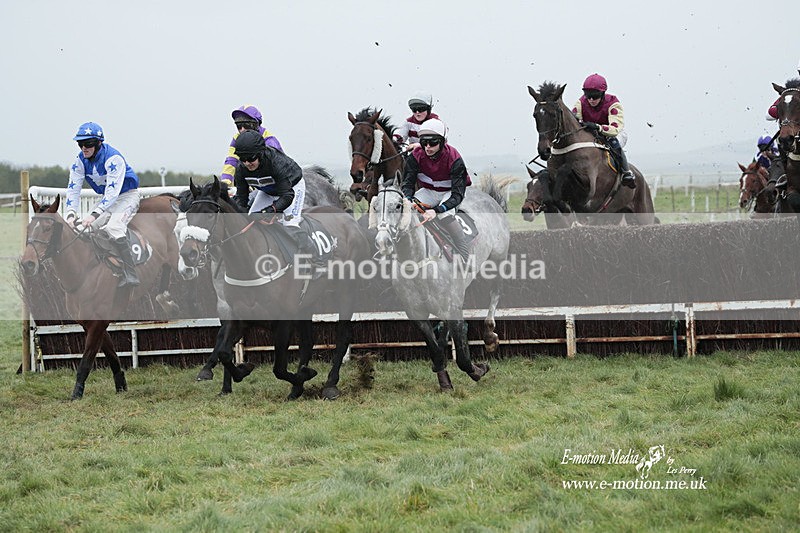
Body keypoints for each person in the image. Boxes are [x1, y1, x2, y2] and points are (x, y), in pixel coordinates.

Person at [233, 130, 324, 275]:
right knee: (249, 221)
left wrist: (271, 210)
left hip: (292, 187)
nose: (247, 163)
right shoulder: (241, 169)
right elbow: (242, 199)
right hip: (268, 190)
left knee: (290, 225)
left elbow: (287, 196)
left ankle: (318, 261)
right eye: (242, 159)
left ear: (261, 153)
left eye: (250, 158)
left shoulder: (276, 162)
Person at [65, 122, 141, 287]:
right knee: (81, 229)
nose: (84, 148)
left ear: (99, 143)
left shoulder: (114, 158)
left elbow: (113, 194)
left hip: (127, 196)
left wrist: (93, 215)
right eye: (80, 144)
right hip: (107, 200)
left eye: (88, 144)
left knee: (114, 227)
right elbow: (73, 189)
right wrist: (70, 214)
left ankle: (131, 273)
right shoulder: (79, 161)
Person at [401, 118, 472, 261]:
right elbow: (407, 185)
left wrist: (436, 210)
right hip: (429, 192)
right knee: (407, 209)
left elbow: (457, 195)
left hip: (450, 192)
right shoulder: (415, 156)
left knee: (444, 216)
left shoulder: (454, 158)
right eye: (423, 142)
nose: (427, 147)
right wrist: (408, 200)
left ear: (442, 142)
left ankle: (464, 254)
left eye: (433, 142)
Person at [572, 73, 636, 188]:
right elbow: (574, 123)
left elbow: (615, 129)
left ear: (602, 93)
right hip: (591, 134)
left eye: (595, 96)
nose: (591, 99)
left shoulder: (613, 103)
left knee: (613, 141)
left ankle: (626, 173)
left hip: (613, 133)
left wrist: (598, 127)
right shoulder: (580, 103)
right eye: (588, 95)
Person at [219, 104, 283, 188]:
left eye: (246, 125)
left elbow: (268, 167)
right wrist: (225, 182)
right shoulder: (236, 139)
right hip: (259, 184)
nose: (242, 130)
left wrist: (251, 185)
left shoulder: (269, 140)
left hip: (279, 184)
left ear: (257, 124)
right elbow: (231, 161)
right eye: (239, 126)